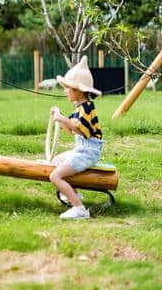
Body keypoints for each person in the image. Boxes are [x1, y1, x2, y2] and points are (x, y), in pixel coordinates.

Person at [49, 57, 103, 219]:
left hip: (88, 152)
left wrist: (62, 119)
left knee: (55, 176)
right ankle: (74, 195)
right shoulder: (79, 108)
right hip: (82, 149)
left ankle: (79, 209)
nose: (65, 91)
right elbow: (69, 131)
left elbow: (82, 131)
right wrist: (59, 116)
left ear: (78, 90)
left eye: (67, 88)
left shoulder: (87, 108)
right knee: (57, 160)